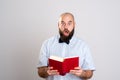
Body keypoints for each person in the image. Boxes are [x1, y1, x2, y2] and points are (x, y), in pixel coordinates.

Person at [37, 12, 95, 80]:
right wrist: (47, 71)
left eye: (69, 23)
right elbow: (40, 72)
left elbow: (90, 73)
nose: (66, 27)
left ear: (74, 25)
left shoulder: (83, 46)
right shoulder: (47, 44)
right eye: (62, 23)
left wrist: (82, 73)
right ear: (58, 25)